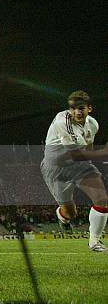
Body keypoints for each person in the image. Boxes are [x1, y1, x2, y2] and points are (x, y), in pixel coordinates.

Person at [41, 90, 108, 252]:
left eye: (81, 108)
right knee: (70, 213)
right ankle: (63, 217)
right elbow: (76, 153)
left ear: (89, 109)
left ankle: (94, 242)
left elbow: (87, 149)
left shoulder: (93, 124)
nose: (77, 111)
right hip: (56, 169)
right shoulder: (62, 120)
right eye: (73, 108)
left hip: (79, 167)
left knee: (102, 200)